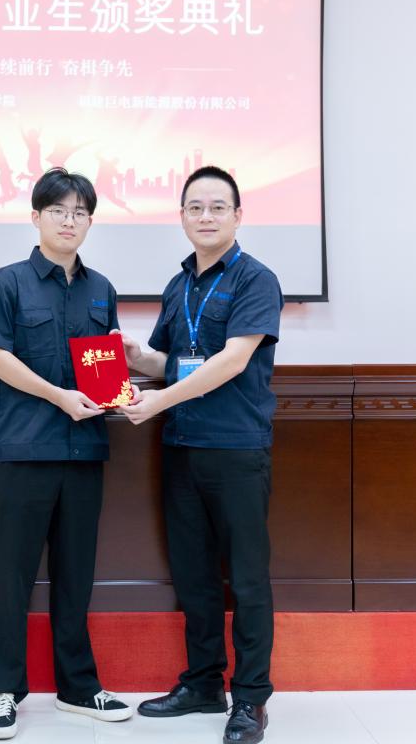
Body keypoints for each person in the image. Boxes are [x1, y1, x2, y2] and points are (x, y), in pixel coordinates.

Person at [117, 165, 283, 744]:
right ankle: (204, 683)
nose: (205, 217)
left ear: (238, 215)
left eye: (217, 207)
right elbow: (172, 363)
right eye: (195, 207)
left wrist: (159, 400)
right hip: (182, 447)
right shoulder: (178, 284)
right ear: (182, 216)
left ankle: (251, 698)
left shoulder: (256, 280)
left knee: (247, 580)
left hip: (236, 449)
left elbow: (233, 361)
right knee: (194, 577)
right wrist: (135, 357)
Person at [0, 167, 133, 739]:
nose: (70, 221)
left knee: (76, 575)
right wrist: (59, 397)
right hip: (25, 448)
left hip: (85, 449)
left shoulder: (102, 289)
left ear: (90, 221)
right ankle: (0, 691)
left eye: (80, 212)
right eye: (59, 211)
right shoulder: (7, 283)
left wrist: (120, 389)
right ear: (36, 217)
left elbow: (106, 361)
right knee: (13, 575)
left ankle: (79, 687)